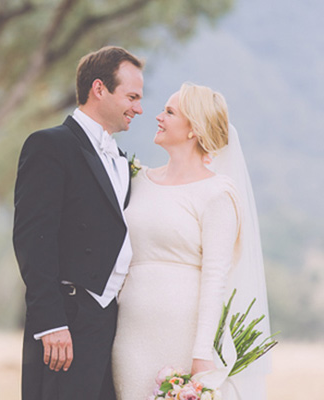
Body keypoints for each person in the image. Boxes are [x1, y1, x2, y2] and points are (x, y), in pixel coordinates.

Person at [111, 82, 271, 399]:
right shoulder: (139, 180)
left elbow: (215, 277)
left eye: (169, 112)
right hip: (130, 331)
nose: (157, 117)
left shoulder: (217, 194)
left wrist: (201, 354)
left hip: (181, 335)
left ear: (192, 130)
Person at [13, 46, 144, 400]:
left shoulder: (119, 159)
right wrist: (51, 322)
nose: (139, 108)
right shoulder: (49, 145)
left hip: (110, 324)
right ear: (99, 89)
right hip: (65, 321)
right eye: (131, 96)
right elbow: (32, 239)